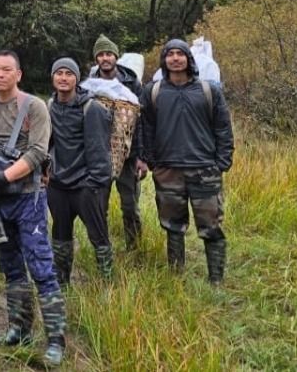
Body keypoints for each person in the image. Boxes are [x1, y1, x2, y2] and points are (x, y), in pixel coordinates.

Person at [0, 51, 67, 368]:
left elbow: (39, 151)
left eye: (6, 69)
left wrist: (4, 177)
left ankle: (56, 340)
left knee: (41, 268)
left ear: (18, 74)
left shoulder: (35, 107)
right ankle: (19, 329)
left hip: (29, 199)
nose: (0, 74)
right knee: (11, 267)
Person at [139, 39, 235, 284]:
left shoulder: (208, 90)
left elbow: (223, 127)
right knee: (173, 227)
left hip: (205, 170)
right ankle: (176, 278)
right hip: (168, 170)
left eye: (180, 54)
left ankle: (216, 280)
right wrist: (152, 161)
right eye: (170, 54)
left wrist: (222, 162)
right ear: (164, 60)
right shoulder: (153, 91)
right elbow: (145, 128)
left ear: (188, 59)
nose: (175, 58)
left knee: (211, 227)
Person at [46, 57, 114, 285]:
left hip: (85, 184)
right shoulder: (49, 106)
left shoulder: (91, 108)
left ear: (77, 79)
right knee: (60, 235)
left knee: (98, 235)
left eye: (69, 74)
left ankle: (107, 282)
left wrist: (95, 183)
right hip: (58, 184)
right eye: (59, 73)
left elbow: (99, 149)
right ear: (53, 77)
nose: (63, 78)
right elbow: (47, 144)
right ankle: (62, 282)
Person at [91, 34, 148, 250]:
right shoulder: (90, 85)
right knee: (99, 206)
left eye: (109, 54)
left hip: (128, 156)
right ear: (96, 59)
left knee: (130, 206)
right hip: (100, 155)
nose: (105, 58)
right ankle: (102, 248)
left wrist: (141, 157)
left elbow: (141, 121)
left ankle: (134, 248)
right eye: (101, 55)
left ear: (116, 56)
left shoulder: (131, 82)